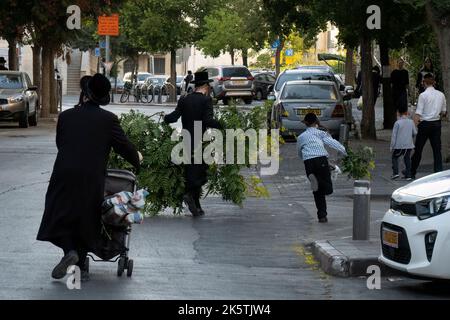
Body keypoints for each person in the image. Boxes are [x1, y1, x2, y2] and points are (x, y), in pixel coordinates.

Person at [37, 73, 141, 281]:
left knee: (58, 212)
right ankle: (81, 263)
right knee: (85, 217)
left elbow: (61, 143)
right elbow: (123, 146)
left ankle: (69, 251)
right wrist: (137, 160)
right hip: (91, 176)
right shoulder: (108, 120)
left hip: (64, 172)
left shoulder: (66, 117)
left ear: (85, 94)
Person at [164, 71, 221, 217]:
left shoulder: (184, 99)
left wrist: (165, 118)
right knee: (200, 173)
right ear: (206, 86)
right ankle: (189, 195)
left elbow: (174, 116)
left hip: (186, 138)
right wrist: (222, 125)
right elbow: (208, 120)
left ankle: (196, 204)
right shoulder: (206, 101)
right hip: (199, 140)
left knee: (192, 170)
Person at [297, 113, 347, 223]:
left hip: (308, 162)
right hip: (321, 160)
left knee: (317, 191)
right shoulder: (321, 133)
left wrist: (305, 158)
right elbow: (333, 143)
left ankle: (322, 216)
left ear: (305, 123)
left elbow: (299, 152)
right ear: (316, 122)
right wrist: (345, 151)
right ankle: (319, 181)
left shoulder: (301, 137)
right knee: (328, 189)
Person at [411, 74, 447, 179]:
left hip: (425, 124)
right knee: (437, 150)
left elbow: (418, 114)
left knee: (418, 149)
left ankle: (412, 171)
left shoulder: (423, 95)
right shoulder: (441, 95)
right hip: (436, 124)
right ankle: (438, 172)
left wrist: (414, 127)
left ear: (424, 83)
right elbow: (444, 112)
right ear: (434, 82)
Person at [390, 107, 417, 180]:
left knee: (395, 157)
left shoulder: (397, 123)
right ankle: (408, 175)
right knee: (407, 159)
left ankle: (395, 173)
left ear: (398, 113)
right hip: (408, 145)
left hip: (399, 145)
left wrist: (392, 146)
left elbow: (394, 136)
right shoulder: (411, 122)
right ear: (406, 113)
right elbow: (415, 132)